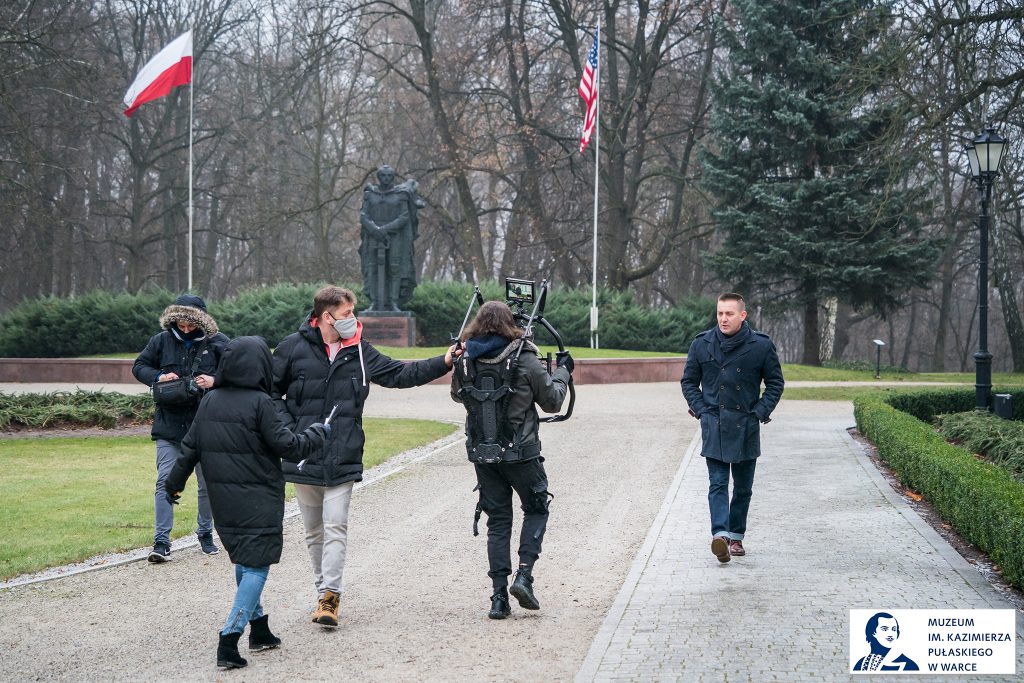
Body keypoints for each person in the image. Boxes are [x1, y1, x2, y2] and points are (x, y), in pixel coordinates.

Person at [271, 285, 457, 627]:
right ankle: (320, 591)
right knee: (313, 532)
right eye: (346, 314)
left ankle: (330, 598)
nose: (352, 319)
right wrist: (292, 432)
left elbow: (400, 374)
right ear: (326, 317)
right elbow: (270, 393)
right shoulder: (291, 348)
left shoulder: (358, 349)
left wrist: (444, 361)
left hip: (343, 452)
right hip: (302, 454)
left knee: (336, 525)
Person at [166, 336, 330, 669]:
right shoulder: (260, 403)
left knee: (244, 559)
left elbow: (188, 448)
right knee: (256, 566)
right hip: (258, 498)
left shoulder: (210, 401)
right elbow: (290, 446)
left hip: (223, 501)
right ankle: (230, 637)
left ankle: (260, 630)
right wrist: (318, 433)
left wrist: (173, 486)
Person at [450, 301, 573, 619]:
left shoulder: (465, 359)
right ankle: (524, 575)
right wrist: (561, 371)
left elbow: (456, 394)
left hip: (484, 454)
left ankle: (498, 598)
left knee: (498, 522)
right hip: (522, 453)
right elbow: (553, 401)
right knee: (536, 508)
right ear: (509, 325)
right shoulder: (524, 356)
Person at [680, 292, 784, 563]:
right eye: (719, 313)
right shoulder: (702, 344)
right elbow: (689, 381)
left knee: (743, 488)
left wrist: (760, 412)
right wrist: (702, 410)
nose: (723, 319)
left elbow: (775, 383)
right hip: (714, 424)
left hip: (746, 425)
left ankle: (736, 536)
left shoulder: (760, 346)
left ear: (742, 315)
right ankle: (720, 535)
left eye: (729, 314)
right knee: (717, 483)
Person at [132, 293, 229, 562]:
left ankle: (205, 533)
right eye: (180, 325)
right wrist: (159, 376)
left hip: (207, 424)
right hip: (169, 426)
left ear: (202, 322)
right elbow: (139, 366)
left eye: (190, 325)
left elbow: (240, 371)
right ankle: (161, 541)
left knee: (207, 483)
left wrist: (215, 380)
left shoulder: (219, 344)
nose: (184, 330)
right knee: (165, 480)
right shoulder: (161, 341)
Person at [358, 165, 421, 311]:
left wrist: (385, 229)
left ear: (393, 177)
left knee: (395, 268)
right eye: (383, 175)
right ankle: (375, 301)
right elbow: (363, 215)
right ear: (378, 177)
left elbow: (404, 216)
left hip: (395, 237)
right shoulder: (370, 193)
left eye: (389, 176)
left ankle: (394, 302)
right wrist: (374, 229)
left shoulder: (400, 194)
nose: (386, 179)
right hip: (374, 236)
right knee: (372, 268)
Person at [853, 612, 919, 671]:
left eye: (894, 629)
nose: (890, 634)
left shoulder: (909, 665)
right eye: (884, 629)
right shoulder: (861, 663)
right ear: (873, 632)